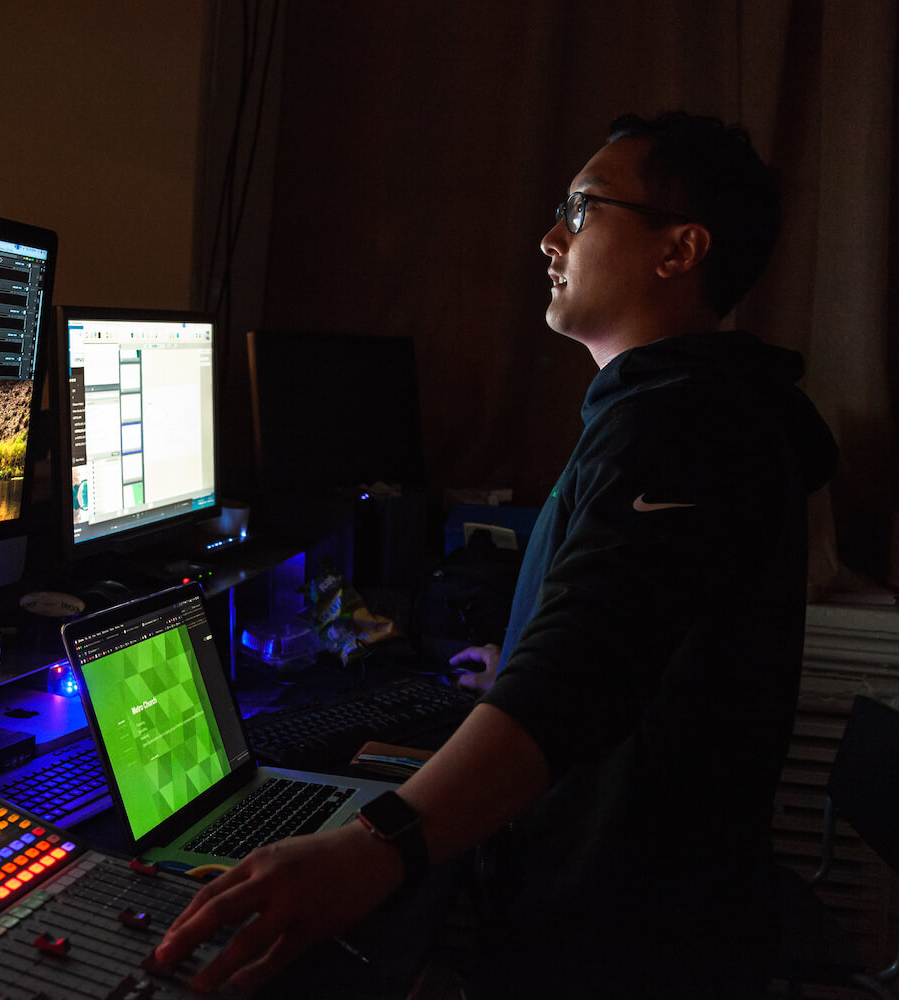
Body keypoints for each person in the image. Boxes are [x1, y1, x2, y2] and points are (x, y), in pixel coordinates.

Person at [153, 112, 838, 998]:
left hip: (628, 941)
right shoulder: (669, 410)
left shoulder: (686, 426)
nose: (550, 237)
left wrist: (374, 852)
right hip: (624, 906)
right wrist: (516, 666)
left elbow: (586, 667)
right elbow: (635, 636)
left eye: (583, 210)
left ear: (680, 250)